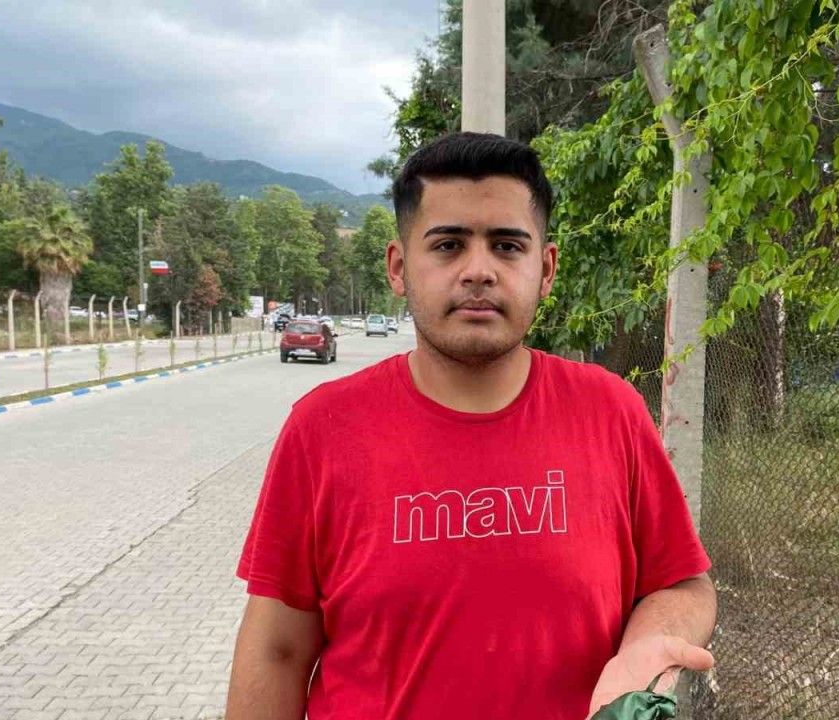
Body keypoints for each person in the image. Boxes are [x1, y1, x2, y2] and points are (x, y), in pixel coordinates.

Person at [226, 132, 715, 720]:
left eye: (507, 246)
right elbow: (277, 650)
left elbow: (682, 584)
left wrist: (644, 648)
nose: (478, 270)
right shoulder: (323, 429)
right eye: (448, 245)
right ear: (399, 267)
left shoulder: (611, 412)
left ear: (546, 269)